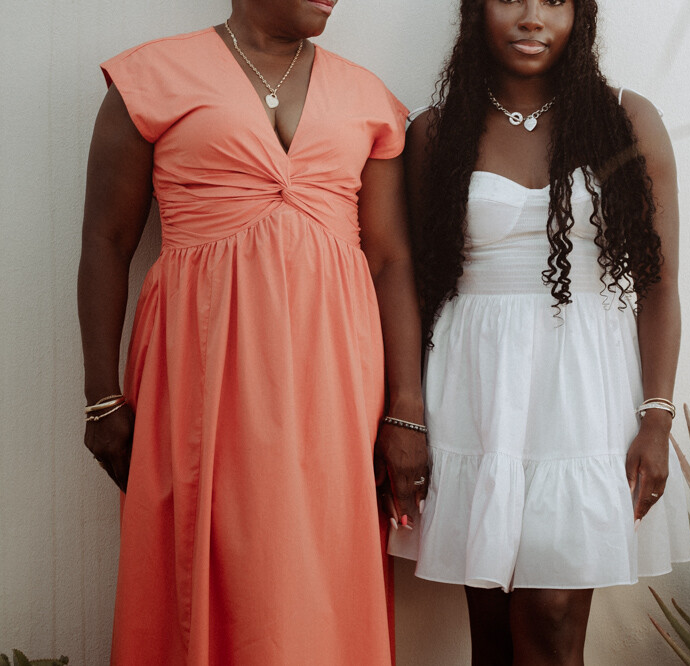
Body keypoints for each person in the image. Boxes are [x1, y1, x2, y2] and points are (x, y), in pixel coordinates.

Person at [76, 1, 429, 663]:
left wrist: (406, 408)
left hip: (333, 377)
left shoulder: (370, 98)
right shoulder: (151, 79)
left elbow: (390, 259)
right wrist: (101, 395)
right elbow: (106, 240)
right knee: (205, 555)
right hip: (200, 365)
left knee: (315, 560)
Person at [388, 0, 690, 663]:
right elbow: (410, 283)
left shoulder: (626, 118)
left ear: (580, 15)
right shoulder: (437, 133)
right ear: (476, 11)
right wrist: (405, 416)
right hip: (475, 388)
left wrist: (657, 418)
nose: (532, 19)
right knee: (494, 636)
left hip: (583, 391)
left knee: (552, 620)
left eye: (554, 1)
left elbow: (659, 283)